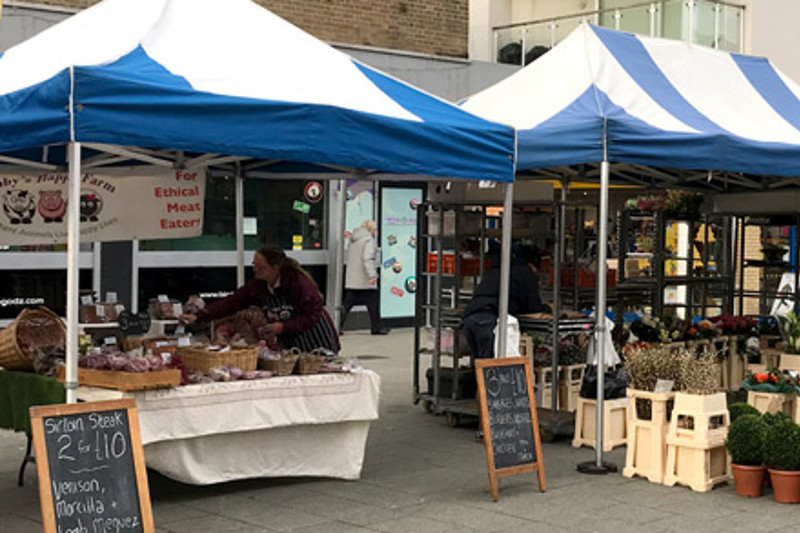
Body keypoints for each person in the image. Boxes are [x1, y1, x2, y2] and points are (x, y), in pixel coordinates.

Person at [180, 247, 340, 353]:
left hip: (316, 338)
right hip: (292, 341)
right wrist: (199, 316)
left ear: (275, 268)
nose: (255, 270)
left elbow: (312, 315)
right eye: (254, 265)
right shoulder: (259, 285)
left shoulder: (298, 283)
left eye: (260, 266)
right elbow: (232, 302)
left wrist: (283, 327)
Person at [461, 244, 547, 359]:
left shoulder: (500, 269)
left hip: (470, 317)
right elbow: (532, 306)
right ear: (533, 264)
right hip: (488, 320)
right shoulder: (524, 272)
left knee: (478, 364)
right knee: (488, 367)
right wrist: (547, 309)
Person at [340, 220, 390, 335]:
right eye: (374, 229)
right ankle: (376, 328)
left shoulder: (353, 240)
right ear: (371, 229)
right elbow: (368, 258)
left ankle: (337, 327)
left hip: (352, 279)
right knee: (373, 305)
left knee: (347, 305)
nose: (375, 231)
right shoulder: (368, 240)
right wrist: (372, 275)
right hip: (364, 280)